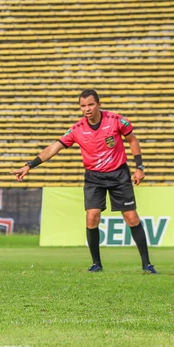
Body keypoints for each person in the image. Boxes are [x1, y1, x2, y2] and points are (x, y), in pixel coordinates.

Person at [11, 89, 157, 274]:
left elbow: (132, 140)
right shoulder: (77, 129)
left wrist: (139, 167)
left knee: (131, 217)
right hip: (94, 177)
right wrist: (29, 165)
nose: (87, 109)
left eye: (90, 104)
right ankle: (96, 264)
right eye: (83, 106)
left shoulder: (116, 120)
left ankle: (147, 264)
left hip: (119, 174)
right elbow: (53, 148)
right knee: (92, 217)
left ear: (99, 104)